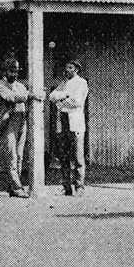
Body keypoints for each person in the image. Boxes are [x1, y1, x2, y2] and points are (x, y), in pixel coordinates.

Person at [49, 59, 88, 196]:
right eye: (66, 68)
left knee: (78, 157)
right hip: (63, 122)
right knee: (64, 156)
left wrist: (61, 101)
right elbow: (52, 96)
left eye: (70, 67)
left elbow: (77, 102)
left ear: (76, 69)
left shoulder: (82, 83)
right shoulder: (64, 83)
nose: (67, 70)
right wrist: (65, 95)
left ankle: (79, 187)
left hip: (75, 122)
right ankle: (66, 187)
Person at [0, 59, 31, 198]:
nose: (14, 74)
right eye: (11, 71)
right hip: (8, 121)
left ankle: (14, 185)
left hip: (22, 120)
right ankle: (17, 187)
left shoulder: (21, 86)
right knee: (11, 155)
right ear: (5, 71)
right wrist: (29, 96)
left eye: (16, 71)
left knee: (20, 155)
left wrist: (28, 95)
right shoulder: (0, 85)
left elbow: (24, 97)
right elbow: (10, 97)